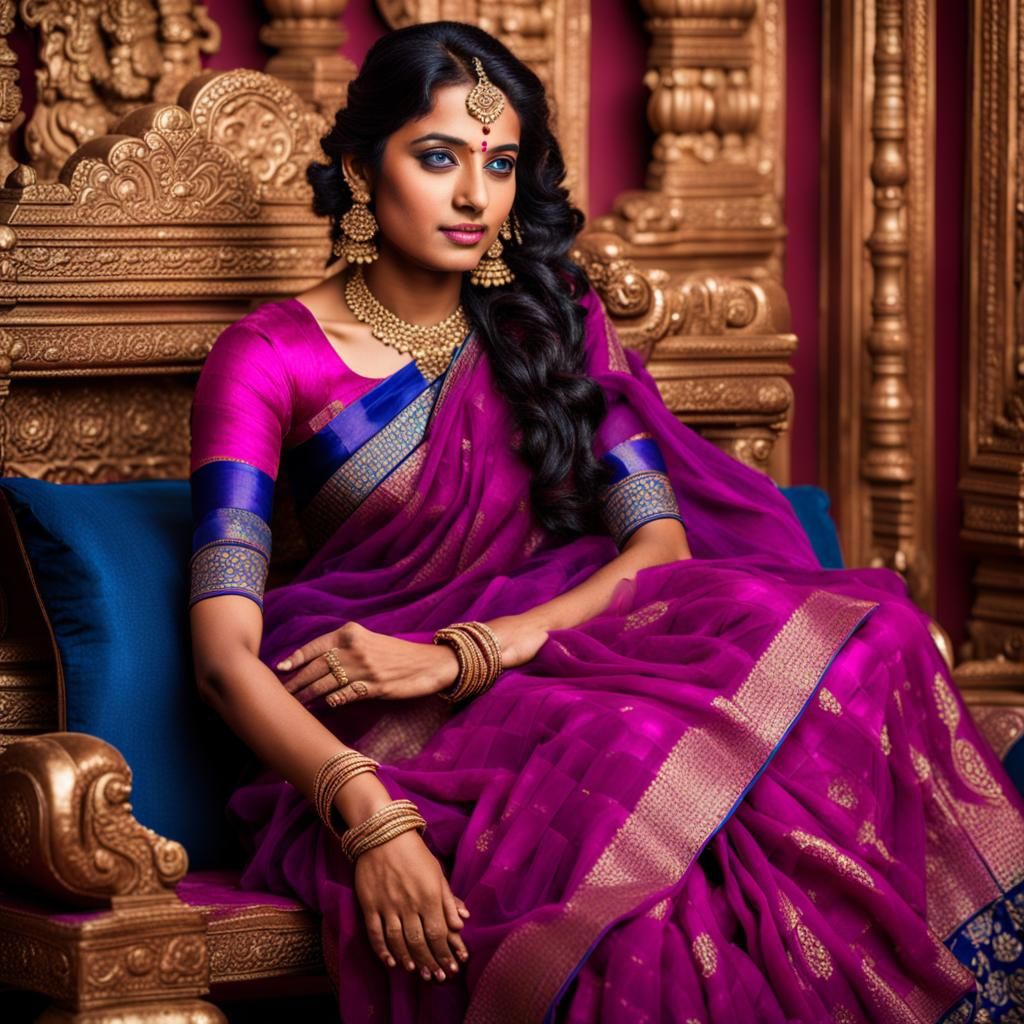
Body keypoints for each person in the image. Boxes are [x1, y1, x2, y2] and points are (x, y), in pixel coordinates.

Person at [188, 20, 1024, 1024]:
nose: (472, 197)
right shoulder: (270, 356)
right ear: (366, 170)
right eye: (438, 157)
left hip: (547, 642)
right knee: (630, 760)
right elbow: (223, 655)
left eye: (498, 165)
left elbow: (656, 546)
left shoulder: (549, 321)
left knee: (879, 635)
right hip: (374, 700)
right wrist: (365, 813)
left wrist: (467, 652)